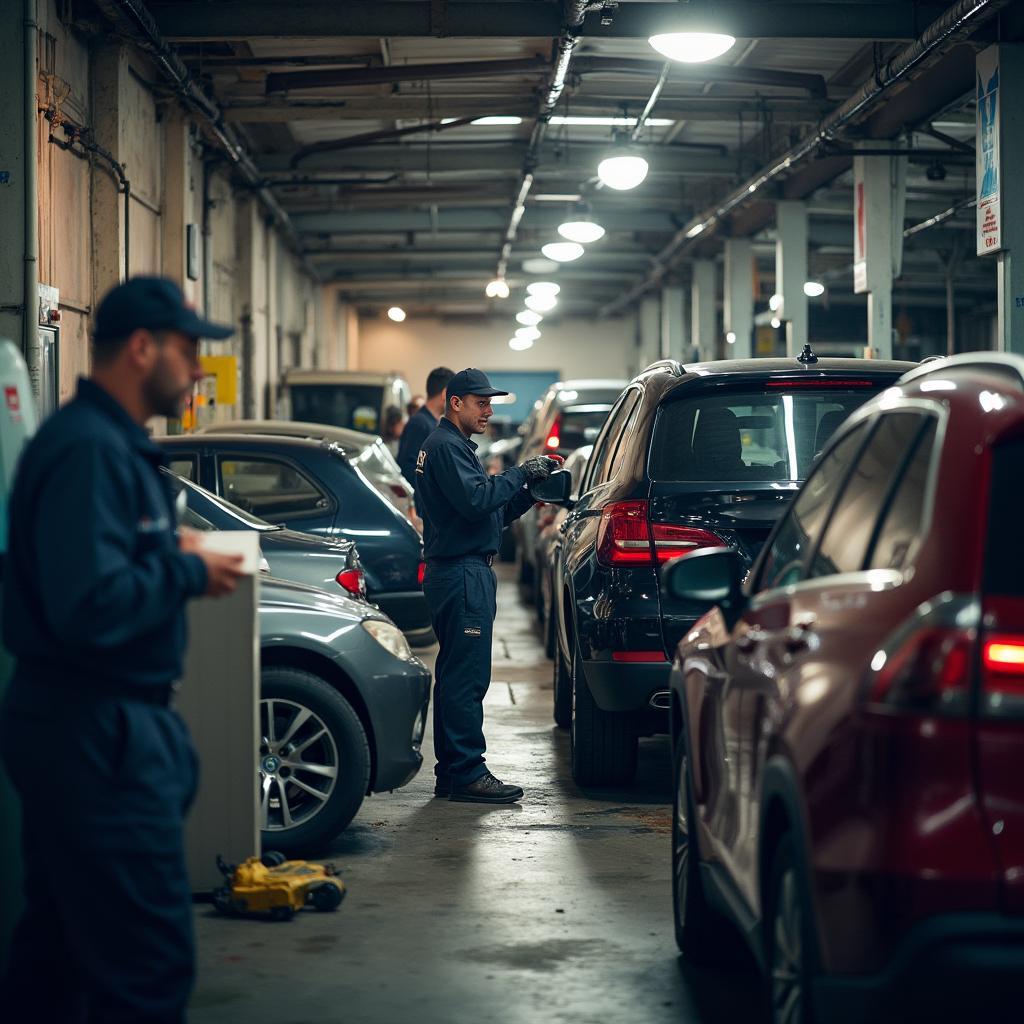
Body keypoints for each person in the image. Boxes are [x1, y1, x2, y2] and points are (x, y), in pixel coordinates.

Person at [0, 276, 246, 1023]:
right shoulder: (89, 451)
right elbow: (89, 607)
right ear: (143, 349)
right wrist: (185, 569)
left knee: (60, 959)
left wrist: (165, 544)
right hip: (95, 733)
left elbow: (94, 564)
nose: (201, 368)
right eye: (189, 349)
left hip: (91, 726)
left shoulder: (106, 445)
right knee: (145, 970)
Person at [416, 368, 558, 803]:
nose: (489, 410)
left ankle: (452, 773)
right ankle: (467, 772)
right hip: (461, 574)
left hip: (461, 570)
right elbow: (478, 498)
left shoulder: (453, 446)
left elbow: (485, 511)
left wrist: (528, 491)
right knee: (466, 679)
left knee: (456, 675)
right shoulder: (445, 446)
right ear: (455, 402)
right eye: (481, 402)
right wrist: (519, 472)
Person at [397, 366, 454, 486]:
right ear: (445, 393)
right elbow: (408, 469)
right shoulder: (420, 424)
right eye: (454, 395)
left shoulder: (430, 423)